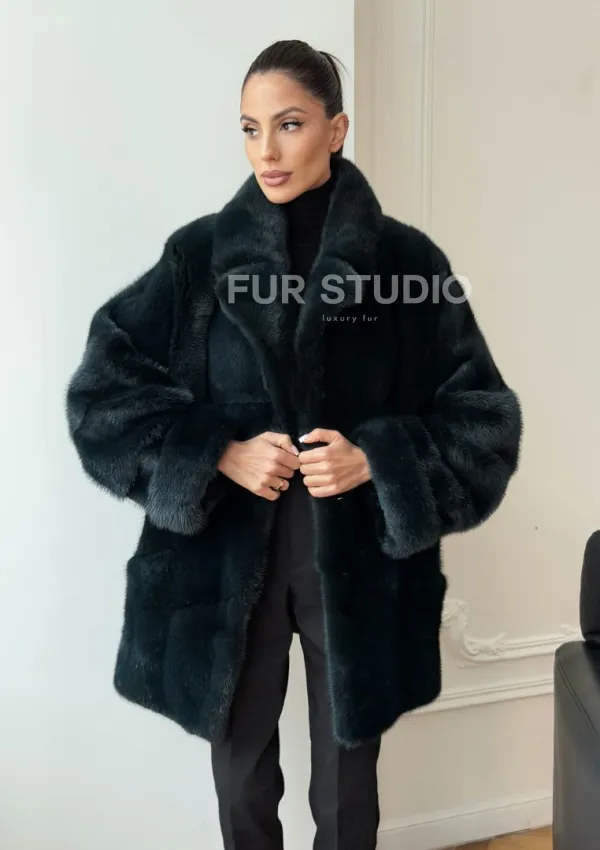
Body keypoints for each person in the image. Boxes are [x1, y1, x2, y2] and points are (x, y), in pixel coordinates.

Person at [65, 38, 522, 850]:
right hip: (225, 551)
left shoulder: (406, 263)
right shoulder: (198, 257)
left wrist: (376, 459)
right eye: (250, 128)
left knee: (347, 792)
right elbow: (103, 396)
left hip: (357, 555)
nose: (266, 151)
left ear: (336, 129)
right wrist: (217, 452)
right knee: (241, 777)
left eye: (289, 124)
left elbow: (482, 419)